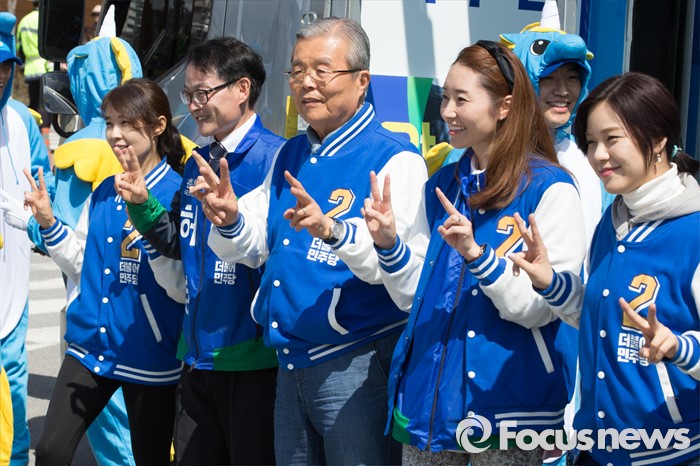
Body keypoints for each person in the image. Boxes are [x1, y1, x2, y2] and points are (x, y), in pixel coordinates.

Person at [193, 17, 427, 465]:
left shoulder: (396, 158)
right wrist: (230, 219)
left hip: (356, 362)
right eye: (297, 71)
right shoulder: (291, 152)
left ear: (362, 81)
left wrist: (334, 231)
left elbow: (403, 275)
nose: (306, 83)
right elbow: (259, 241)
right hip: (290, 362)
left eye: (322, 71)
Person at [358, 40, 587, 465]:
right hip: (428, 404)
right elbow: (412, 298)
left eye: (461, 99)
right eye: (445, 97)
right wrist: (388, 244)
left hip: (509, 407)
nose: (447, 111)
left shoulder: (551, 188)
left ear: (504, 106)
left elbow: (537, 309)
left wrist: (478, 257)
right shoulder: (442, 184)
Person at [511, 72, 700, 466]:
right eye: (591, 142)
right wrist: (550, 282)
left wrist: (678, 347)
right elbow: (601, 317)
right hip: (595, 449)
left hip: (670, 454)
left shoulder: (693, 232)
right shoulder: (612, 223)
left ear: (658, 139)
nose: (598, 155)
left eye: (612, 139)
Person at [118, 37, 284, 465]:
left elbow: (280, 256)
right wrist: (141, 205)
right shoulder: (197, 161)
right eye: (187, 94)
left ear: (242, 89)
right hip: (195, 357)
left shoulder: (277, 159)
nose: (192, 106)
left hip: (251, 361)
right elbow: (180, 243)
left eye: (202, 93)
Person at [28, 78, 186, 465]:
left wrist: (145, 217)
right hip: (89, 347)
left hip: (150, 354)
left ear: (159, 126)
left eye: (127, 123)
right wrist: (48, 223)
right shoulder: (103, 191)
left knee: (151, 458)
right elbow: (83, 264)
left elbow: (181, 286)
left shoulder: (178, 192)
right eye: (110, 122)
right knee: (49, 451)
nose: (115, 134)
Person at [25, 35, 148, 466]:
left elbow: (60, 234)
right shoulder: (163, 146)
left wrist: (36, 222)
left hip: (93, 308)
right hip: (150, 318)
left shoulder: (79, 148)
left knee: (106, 425)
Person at [501, 0, 605, 249]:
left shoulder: (594, 158)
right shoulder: (483, 155)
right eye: (548, 78)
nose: (563, 90)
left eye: (572, 78)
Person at [0, 12, 54, 465]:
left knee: (12, 372)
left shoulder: (20, 119)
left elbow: (43, 184)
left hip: (10, 272)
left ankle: (14, 457)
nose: (0, 75)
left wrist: (40, 220)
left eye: (5, 66)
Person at [16, 0, 51, 136]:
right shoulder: (45, 19)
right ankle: (44, 139)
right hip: (45, 68)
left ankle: (31, 133)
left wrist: (23, 66)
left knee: (33, 102)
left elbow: (20, 48)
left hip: (30, 70)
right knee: (44, 105)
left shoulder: (24, 21)